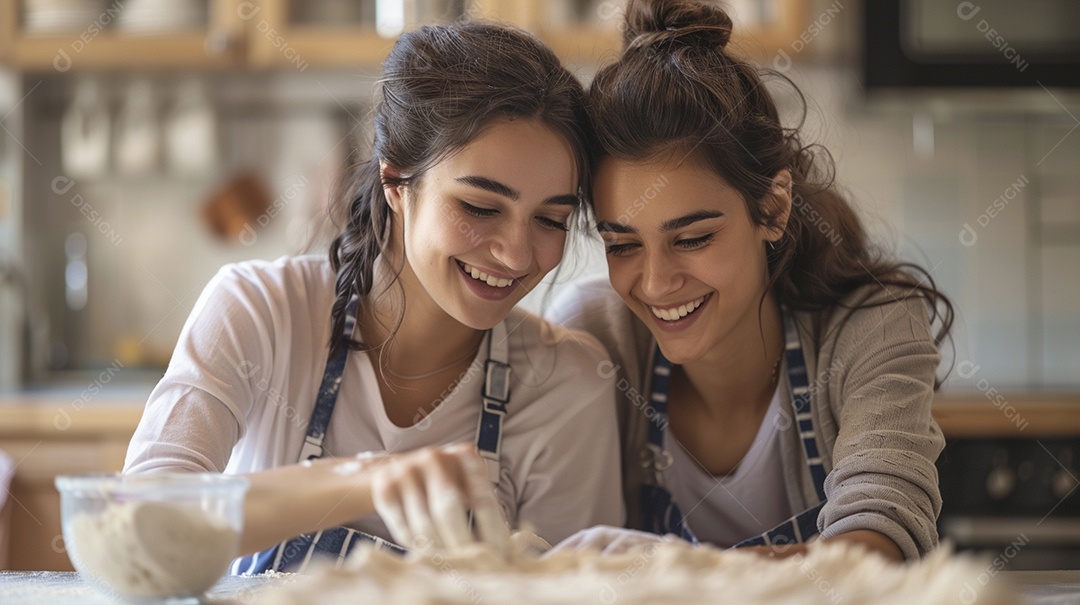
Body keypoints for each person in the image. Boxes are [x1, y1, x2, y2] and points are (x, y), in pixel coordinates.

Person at [123, 19, 624, 572]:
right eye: (480, 208)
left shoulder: (568, 385)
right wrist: (361, 480)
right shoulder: (262, 312)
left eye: (550, 219)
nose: (515, 254)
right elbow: (140, 528)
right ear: (396, 183)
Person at [549, 0, 954, 562]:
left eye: (692, 239)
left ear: (773, 207)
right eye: (622, 245)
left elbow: (876, 542)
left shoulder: (872, 327)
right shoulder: (593, 336)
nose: (658, 283)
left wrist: (681, 575)